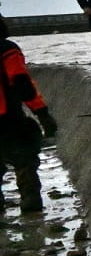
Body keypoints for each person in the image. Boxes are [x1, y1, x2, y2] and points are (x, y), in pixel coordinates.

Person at [0, 14, 58, 218]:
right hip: (8, 118)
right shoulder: (6, 49)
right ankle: (30, 204)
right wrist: (42, 113)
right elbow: (21, 83)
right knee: (24, 158)